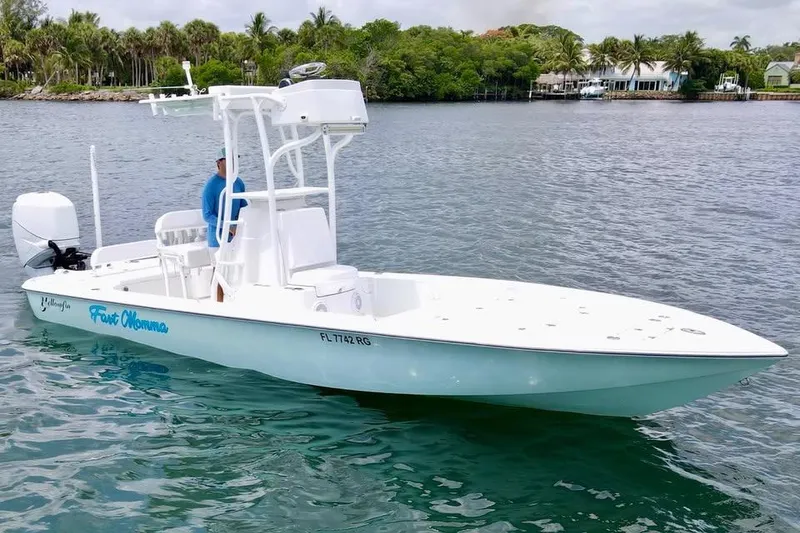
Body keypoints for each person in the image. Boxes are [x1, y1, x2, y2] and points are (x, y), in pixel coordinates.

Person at [202, 147, 247, 302]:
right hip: (217, 238)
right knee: (219, 271)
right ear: (219, 162)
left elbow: (244, 206)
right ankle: (216, 304)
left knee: (234, 270)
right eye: (230, 159)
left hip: (236, 236)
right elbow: (207, 215)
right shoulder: (211, 186)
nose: (234, 162)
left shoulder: (238, 182)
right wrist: (227, 226)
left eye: (236, 159)